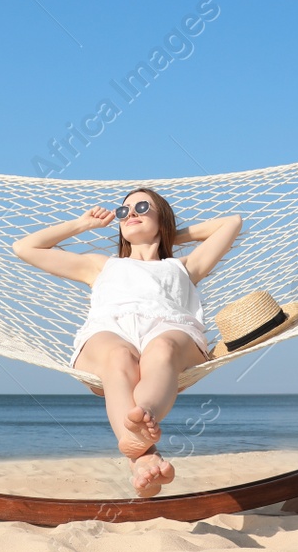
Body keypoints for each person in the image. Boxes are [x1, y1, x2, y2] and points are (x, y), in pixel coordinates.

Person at [12, 189, 242, 496]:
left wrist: (170, 236)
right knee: (119, 355)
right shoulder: (101, 265)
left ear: (162, 219)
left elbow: (231, 223)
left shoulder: (184, 266)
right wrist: (81, 225)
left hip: (171, 333)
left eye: (142, 207)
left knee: (161, 349)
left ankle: (140, 425)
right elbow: (24, 247)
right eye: (123, 212)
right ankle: (142, 447)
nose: (130, 214)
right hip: (109, 333)